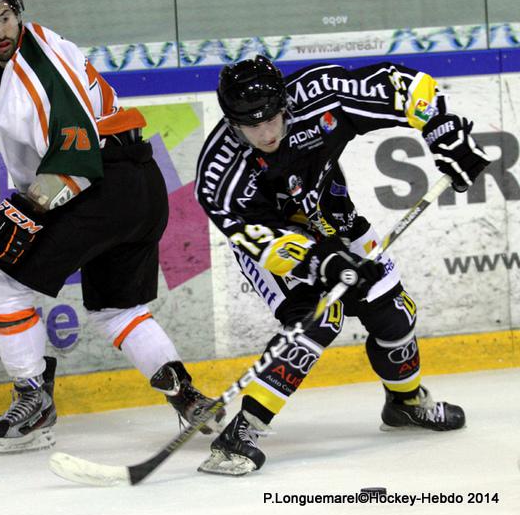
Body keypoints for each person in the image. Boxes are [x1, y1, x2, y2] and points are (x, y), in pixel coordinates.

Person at [0, 0, 223, 454]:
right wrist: (23, 207)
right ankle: (187, 395)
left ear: (18, 11)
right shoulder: (11, 66)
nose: (0, 31)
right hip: (138, 182)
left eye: (5, 18)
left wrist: (26, 211)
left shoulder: (35, 67)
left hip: (101, 185)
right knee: (117, 309)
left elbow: (75, 159)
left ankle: (33, 402)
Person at [194, 55, 490, 475]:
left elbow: (403, 86)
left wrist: (442, 130)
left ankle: (405, 404)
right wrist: (323, 263)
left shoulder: (322, 94)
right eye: (250, 126)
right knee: (319, 318)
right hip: (277, 244)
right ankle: (242, 433)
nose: (264, 133)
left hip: (334, 217)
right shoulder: (219, 174)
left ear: (285, 105)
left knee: (394, 311)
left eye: (272, 119)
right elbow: (255, 238)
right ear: (231, 122)